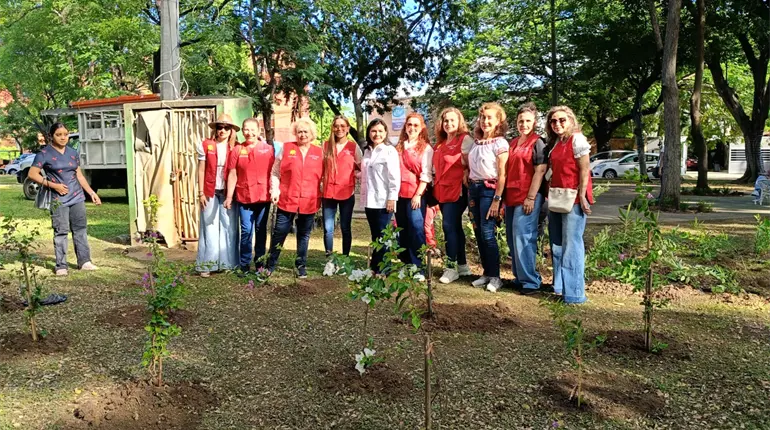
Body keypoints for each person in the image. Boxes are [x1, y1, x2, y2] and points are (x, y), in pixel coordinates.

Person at [27, 123, 101, 276]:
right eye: (58, 134)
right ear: (51, 136)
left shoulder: (73, 152)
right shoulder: (44, 153)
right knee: (61, 231)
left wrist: (91, 192)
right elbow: (32, 174)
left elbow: (79, 175)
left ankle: (84, 261)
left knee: (80, 229)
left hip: (77, 196)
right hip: (58, 199)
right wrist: (54, 186)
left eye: (65, 134)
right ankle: (61, 265)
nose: (63, 137)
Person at [546, 106, 593, 304]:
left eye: (562, 120)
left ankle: (574, 294)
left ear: (571, 120)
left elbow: (584, 170)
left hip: (573, 198)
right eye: (553, 121)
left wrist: (583, 196)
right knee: (557, 244)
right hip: (557, 197)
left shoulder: (578, 140)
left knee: (571, 245)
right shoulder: (556, 142)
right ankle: (560, 286)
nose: (557, 124)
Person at [267, 118, 323, 278]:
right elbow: (275, 172)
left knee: (304, 234)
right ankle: (270, 265)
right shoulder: (286, 148)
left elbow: (323, 177)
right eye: (299, 131)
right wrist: (275, 190)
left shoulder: (319, 152)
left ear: (312, 134)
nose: (302, 134)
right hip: (287, 198)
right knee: (279, 232)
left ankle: (301, 266)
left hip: (309, 200)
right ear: (295, 133)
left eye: (306, 131)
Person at [503, 102, 548, 294]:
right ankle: (519, 277)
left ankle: (531, 281)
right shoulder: (513, 143)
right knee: (512, 239)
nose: (524, 124)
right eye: (521, 121)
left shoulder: (538, 142)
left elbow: (540, 171)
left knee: (524, 237)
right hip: (511, 196)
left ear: (535, 122)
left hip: (528, 196)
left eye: (528, 121)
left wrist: (531, 198)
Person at [467, 102, 509, 292]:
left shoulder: (500, 143)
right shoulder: (476, 142)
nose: (485, 121)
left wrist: (497, 199)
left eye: (489, 117)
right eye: (483, 117)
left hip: (489, 190)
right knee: (478, 232)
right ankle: (486, 272)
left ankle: (496, 276)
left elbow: (502, 174)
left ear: (498, 120)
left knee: (487, 232)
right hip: (474, 189)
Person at [224, 118, 275, 274]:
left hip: (263, 197)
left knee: (260, 230)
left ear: (259, 130)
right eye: (246, 129)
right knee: (246, 230)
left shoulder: (268, 149)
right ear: (242, 131)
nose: (249, 133)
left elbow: (274, 173)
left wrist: (275, 191)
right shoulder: (237, 150)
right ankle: (244, 264)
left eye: (252, 129)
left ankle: (259, 263)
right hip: (244, 196)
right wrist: (229, 197)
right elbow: (232, 174)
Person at [433, 107, 474, 284]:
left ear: (459, 122)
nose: (449, 124)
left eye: (452, 120)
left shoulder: (464, 140)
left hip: (457, 190)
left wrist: (466, 171)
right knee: (455, 226)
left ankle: (450, 267)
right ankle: (463, 266)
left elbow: (474, 162)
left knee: (448, 226)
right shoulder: (440, 144)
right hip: (442, 190)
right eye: (446, 121)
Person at [196, 114, 240, 277]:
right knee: (209, 226)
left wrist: (231, 194)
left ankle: (227, 264)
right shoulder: (206, 145)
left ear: (231, 131)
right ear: (215, 129)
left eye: (226, 128)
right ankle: (207, 264)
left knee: (229, 226)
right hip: (209, 191)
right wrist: (200, 192)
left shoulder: (236, 147)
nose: (222, 130)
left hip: (228, 192)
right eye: (219, 127)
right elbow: (201, 169)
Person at [321, 116, 362, 275]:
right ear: (333, 127)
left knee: (345, 227)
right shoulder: (325, 146)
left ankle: (344, 261)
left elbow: (361, 166)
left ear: (347, 127)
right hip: (328, 193)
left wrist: (354, 175)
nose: (339, 129)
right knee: (328, 228)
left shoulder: (353, 147)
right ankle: (330, 260)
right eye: (336, 126)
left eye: (342, 126)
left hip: (346, 192)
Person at [395, 113, 433, 276]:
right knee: (402, 228)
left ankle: (418, 266)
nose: (412, 128)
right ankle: (406, 262)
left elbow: (426, 174)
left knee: (416, 228)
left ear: (421, 128)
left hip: (415, 194)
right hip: (398, 194)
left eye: (416, 125)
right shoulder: (399, 146)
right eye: (409, 124)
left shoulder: (426, 148)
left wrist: (418, 195)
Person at [361, 119, 400, 273]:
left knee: (383, 236)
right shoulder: (367, 151)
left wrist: (392, 197)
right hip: (369, 201)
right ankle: (378, 266)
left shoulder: (389, 151)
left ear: (385, 133)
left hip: (384, 200)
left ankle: (382, 267)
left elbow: (394, 177)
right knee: (376, 236)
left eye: (380, 131)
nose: (377, 134)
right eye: (373, 131)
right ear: (369, 133)